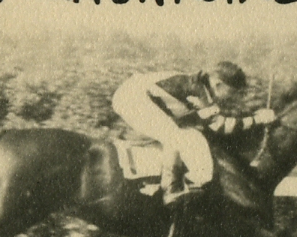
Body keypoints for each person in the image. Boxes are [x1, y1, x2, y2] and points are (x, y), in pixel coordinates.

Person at [111, 62, 276, 209]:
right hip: (131, 97)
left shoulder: (204, 88)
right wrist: (258, 119)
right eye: (232, 92)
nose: (233, 97)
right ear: (218, 84)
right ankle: (171, 188)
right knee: (174, 135)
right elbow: (220, 126)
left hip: (137, 93)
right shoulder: (199, 91)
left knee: (184, 134)